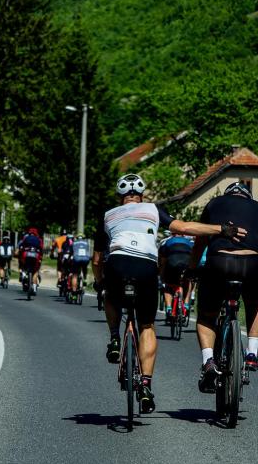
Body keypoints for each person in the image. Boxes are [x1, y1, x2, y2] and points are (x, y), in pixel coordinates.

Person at [93, 173, 246, 414]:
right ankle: (145, 385)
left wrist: (99, 281)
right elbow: (184, 227)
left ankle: (114, 337)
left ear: (119, 196)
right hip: (145, 267)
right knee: (147, 326)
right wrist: (221, 229)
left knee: (109, 295)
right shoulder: (153, 209)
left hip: (118, 264)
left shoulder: (108, 216)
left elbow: (97, 259)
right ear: (141, 195)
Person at [188, 181, 258, 394]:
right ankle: (252, 353)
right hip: (251, 264)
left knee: (207, 315)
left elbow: (200, 242)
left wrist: (192, 269)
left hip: (218, 262)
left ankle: (209, 361)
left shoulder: (213, 204)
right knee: (255, 302)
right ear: (247, 196)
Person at [158, 232, 194, 320]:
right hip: (186, 263)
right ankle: (186, 305)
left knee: (168, 286)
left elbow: (162, 262)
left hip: (172, 263)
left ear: (172, 234)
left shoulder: (167, 242)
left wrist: (162, 276)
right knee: (187, 281)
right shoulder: (190, 242)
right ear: (183, 235)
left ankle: (169, 308)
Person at [19, 226, 44, 295]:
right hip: (36, 255)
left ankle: (23, 274)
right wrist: (41, 258)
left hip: (26, 254)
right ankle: (34, 288)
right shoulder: (39, 240)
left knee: (24, 264)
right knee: (35, 271)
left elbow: (21, 247)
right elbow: (41, 249)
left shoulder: (26, 238)